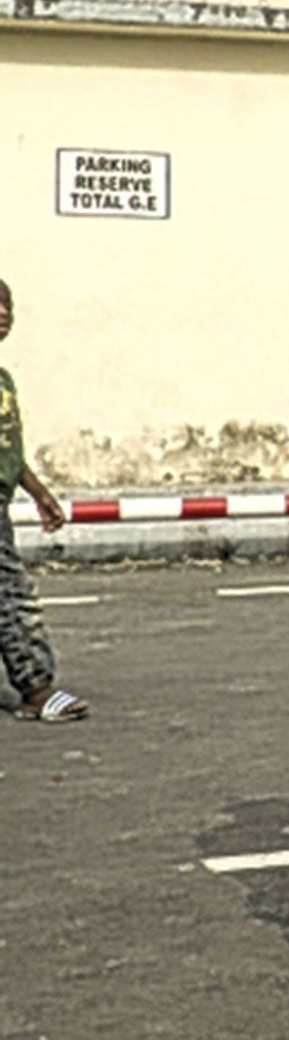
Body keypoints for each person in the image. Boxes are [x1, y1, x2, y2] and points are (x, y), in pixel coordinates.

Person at [0, 278, 88, 725]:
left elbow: (9, 450)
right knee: (12, 596)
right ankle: (36, 688)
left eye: (6, 305)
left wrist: (38, 493)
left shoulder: (4, 382)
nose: (1, 314)